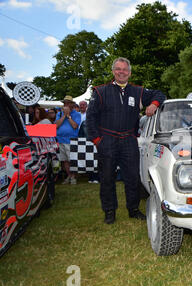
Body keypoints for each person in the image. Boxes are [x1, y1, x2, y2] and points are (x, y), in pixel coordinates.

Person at [86, 57, 166, 224]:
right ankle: (109, 212)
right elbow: (91, 118)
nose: (121, 72)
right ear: (113, 71)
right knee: (107, 178)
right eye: (118, 69)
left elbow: (160, 94)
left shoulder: (138, 92)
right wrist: (97, 141)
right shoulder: (100, 91)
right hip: (107, 140)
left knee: (132, 177)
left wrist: (154, 104)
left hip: (129, 140)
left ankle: (133, 209)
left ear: (129, 73)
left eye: (124, 70)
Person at [55, 95, 81, 185]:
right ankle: (69, 175)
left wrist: (69, 116)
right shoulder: (59, 114)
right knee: (64, 160)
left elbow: (74, 126)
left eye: (67, 103)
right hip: (61, 139)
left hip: (71, 139)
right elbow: (56, 125)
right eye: (65, 103)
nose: (66, 104)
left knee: (72, 159)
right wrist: (64, 115)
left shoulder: (77, 114)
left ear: (71, 105)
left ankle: (74, 176)